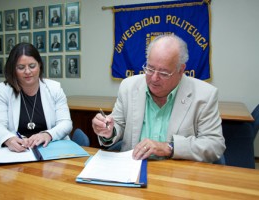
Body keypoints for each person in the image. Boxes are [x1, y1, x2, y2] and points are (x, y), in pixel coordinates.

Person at [92, 34, 225, 163]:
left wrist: (169, 147)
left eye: (163, 73)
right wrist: (108, 131)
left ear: (181, 70)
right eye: (150, 68)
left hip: (178, 177)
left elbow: (214, 145)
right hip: (132, 170)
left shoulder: (204, 95)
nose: (154, 78)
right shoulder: (129, 87)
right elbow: (118, 125)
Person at [0, 43, 72, 152]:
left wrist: (48, 134)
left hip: (50, 149)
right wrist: (9, 139)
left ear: (39, 65)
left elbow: (66, 123)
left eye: (32, 66)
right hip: (19, 152)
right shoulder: (3, 90)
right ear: (13, 69)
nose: (27, 71)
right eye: (21, 67)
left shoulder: (54, 88)